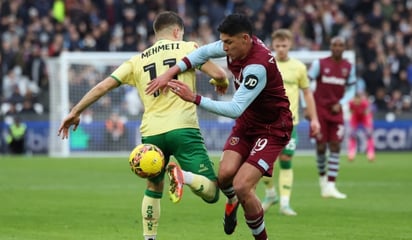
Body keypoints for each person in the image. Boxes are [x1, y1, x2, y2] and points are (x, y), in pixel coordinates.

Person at [58, 11, 227, 240]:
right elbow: (219, 73)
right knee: (213, 192)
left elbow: (102, 87)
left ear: (157, 34)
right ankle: (183, 177)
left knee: (153, 187)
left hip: (151, 134)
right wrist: (221, 82)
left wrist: (75, 111)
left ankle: (149, 238)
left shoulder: (137, 60)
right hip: (183, 129)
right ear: (177, 32)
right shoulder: (188, 48)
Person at [146, 13, 293, 240]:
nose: (223, 48)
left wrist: (194, 98)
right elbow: (201, 53)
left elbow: (235, 109)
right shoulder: (235, 45)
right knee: (224, 176)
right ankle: (232, 201)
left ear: (245, 39)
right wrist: (169, 73)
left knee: (243, 185)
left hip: (272, 128)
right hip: (248, 124)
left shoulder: (258, 66)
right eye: (222, 41)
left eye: (228, 42)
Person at [260, 29, 320, 216]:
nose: (281, 49)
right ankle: (270, 194)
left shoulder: (299, 67)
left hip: (289, 123)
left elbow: (307, 93)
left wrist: (314, 118)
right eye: (277, 46)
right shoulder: (266, 65)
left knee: (286, 160)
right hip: (267, 122)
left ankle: (285, 203)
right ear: (273, 46)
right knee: (261, 163)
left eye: (284, 45)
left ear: (290, 45)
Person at [307, 36, 356, 199]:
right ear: (330, 46)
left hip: (336, 111)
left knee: (335, 145)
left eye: (340, 45)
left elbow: (351, 90)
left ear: (344, 48)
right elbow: (306, 85)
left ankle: (331, 185)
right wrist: (307, 107)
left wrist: (341, 103)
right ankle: (322, 180)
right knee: (321, 147)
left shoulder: (349, 67)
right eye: (335, 45)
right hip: (319, 110)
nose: (337, 47)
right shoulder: (319, 64)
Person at [347, 91, 375, 162]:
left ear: (360, 99)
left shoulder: (365, 103)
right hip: (355, 117)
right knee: (352, 135)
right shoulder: (351, 103)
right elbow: (351, 111)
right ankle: (351, 153)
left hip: (364, 117)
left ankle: (370, 153)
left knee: (369, 134)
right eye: (355, 100)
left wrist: (368, 124)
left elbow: (367, 113)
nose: (356, 102)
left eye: (358, 100)